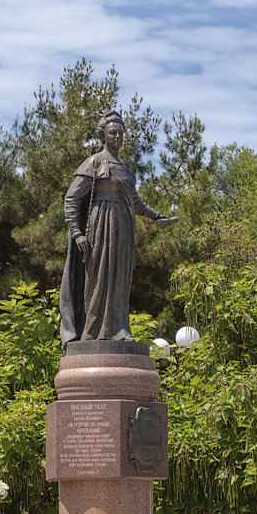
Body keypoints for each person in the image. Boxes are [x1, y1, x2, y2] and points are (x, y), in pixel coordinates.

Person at [59, 110, 177, 345]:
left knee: (120, 280)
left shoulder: (125, 167)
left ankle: (120, 329)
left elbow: (135, 202)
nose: (117, 137)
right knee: (98, 278)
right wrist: (77, 233)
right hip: (100, 227)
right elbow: (72, 199)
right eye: (113, 132)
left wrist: (156, 217)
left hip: (123, 228)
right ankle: (92, 332)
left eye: (121, 133)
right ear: (104, 134)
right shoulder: (95, 162)